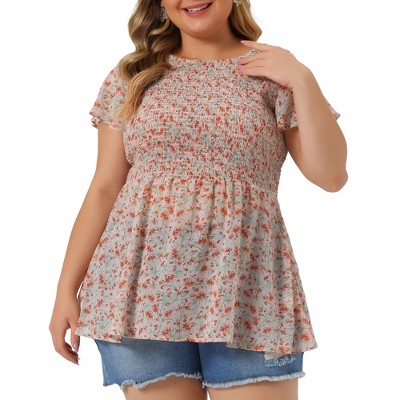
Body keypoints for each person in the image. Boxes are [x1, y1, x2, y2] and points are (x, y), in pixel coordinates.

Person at [49, 0, 348, 399]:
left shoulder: (274, 73)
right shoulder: (133, 75)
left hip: (248, 292)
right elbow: (105, 187)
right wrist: (66, 289)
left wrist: (302, 78)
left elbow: (331, 176)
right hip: (140, 294)